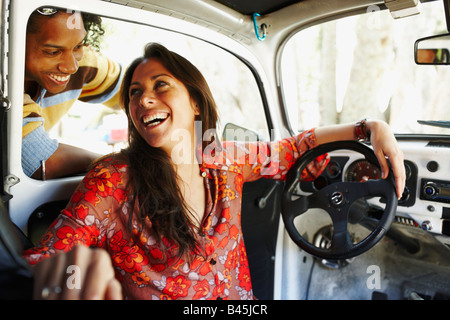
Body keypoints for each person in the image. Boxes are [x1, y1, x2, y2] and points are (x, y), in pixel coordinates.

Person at [23, 43, 405, 300]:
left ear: (195, 102)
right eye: (135, 93)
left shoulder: (226, 160)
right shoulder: (113, 180)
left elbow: (295, 147)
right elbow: (44, 264)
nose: (144, 100)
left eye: (160, 85)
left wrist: (371, 129)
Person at [23, 7, 122, 180]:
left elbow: (132, 92)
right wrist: (118, 164)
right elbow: (37, 161)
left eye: (78, 46)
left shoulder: (84, 62)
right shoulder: (5, 85)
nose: (71, 66)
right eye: (53, 52)